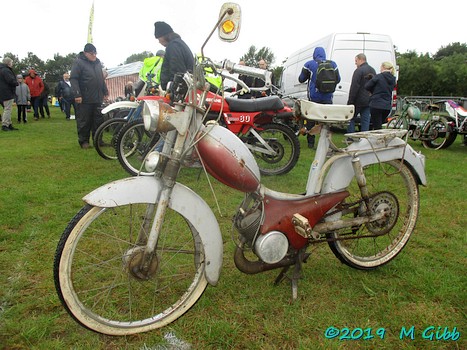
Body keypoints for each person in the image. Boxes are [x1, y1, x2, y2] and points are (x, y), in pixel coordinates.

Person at [298, 47, 340, 148]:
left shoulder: (309, 64)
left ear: (314, 54)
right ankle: (326, 142)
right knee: (326, 120)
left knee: (311, 120)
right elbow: (338, 79)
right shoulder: (333, 64)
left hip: (314, 97)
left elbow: (301, 79)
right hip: (328, 97)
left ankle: (311, 143)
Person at [70, 43, 109, 149]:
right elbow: (73, 79)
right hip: (84, 98)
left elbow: (100, 79)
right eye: (92, 53)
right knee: (84, 121)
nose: (94, 55)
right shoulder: (78, 62)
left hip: (97, 97)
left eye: (95, 53)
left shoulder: (97, 63)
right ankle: (84, 141)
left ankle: (98, 140)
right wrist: (77, 94)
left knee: (98, 120)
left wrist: (105, 92)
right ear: (85, 53)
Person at [154, 21, 193, 91]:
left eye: (159, 39)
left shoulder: (173, 46)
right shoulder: (178, 44)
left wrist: (173, 89)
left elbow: (177, 70)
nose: (159, 42)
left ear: (165, 36)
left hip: (178, 91)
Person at [347, 53, 376, 133]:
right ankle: (364, 139)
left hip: (358, 100)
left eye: (356, 61)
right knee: (365, 121)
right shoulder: (373, 70)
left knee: (351, 118)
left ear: (360, 60)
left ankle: (351, 137)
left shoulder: (358, 71)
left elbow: (354, 87)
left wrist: (350, 101)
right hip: (369, 99)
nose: (355, 63)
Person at [365, 61, 397, 130]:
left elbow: (367, 86)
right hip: (387, 106)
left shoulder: (378, 76)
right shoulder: (393, 79)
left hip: (376, 104)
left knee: (377, 126)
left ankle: (377, 139)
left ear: (383, 67)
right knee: (379, 125)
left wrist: (373, 91)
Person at [0, 57, 19, 131]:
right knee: (7, 109)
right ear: (8, 63)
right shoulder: (6, 70)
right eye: (11, 62)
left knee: (7, 109)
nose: (12, 64)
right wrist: (16, 82)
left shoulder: (2, 69)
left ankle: (9, 123)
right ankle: (5, 125)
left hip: (3, 92)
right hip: (7, 92)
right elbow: (10, 80)